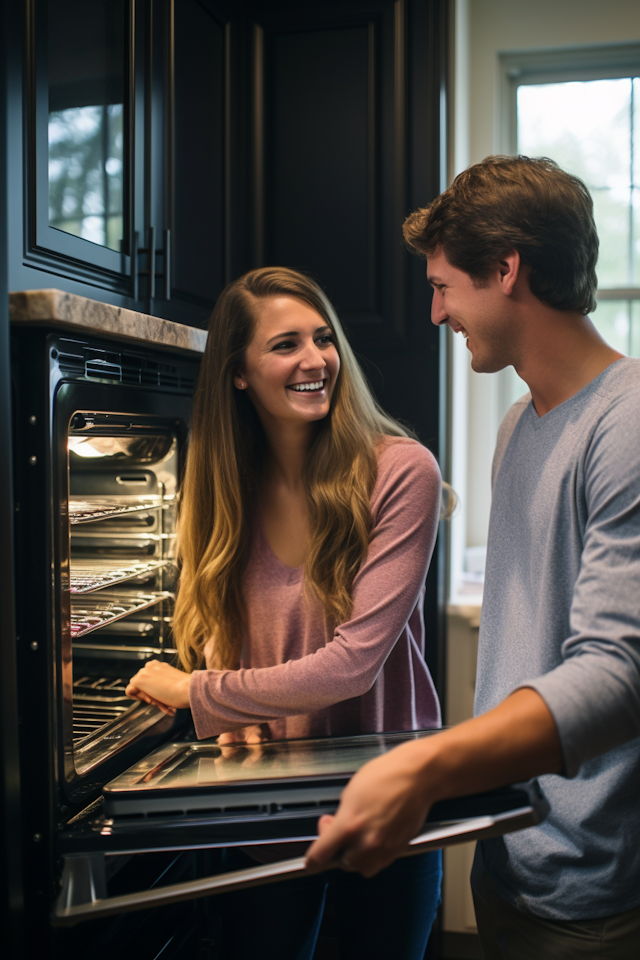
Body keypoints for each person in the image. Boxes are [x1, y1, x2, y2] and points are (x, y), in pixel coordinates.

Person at [306, 156, 640, 958]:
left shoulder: (626, 424)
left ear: (506, 269)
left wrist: (426, 769)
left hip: (597, 891)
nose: (434, 313)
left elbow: (618, 676)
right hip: (512, 849)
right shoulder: (518, 426)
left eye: (444, 286)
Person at [126, 266, 444, 960]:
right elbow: (214, 617)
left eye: (323, 339)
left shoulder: (401, 470)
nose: (314, 360)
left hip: (385, 791)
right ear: (238, 373)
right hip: (263, 795)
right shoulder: (221, 481)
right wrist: (231, 699)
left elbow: (353, 665)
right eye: (284, 345)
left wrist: (199, 693)